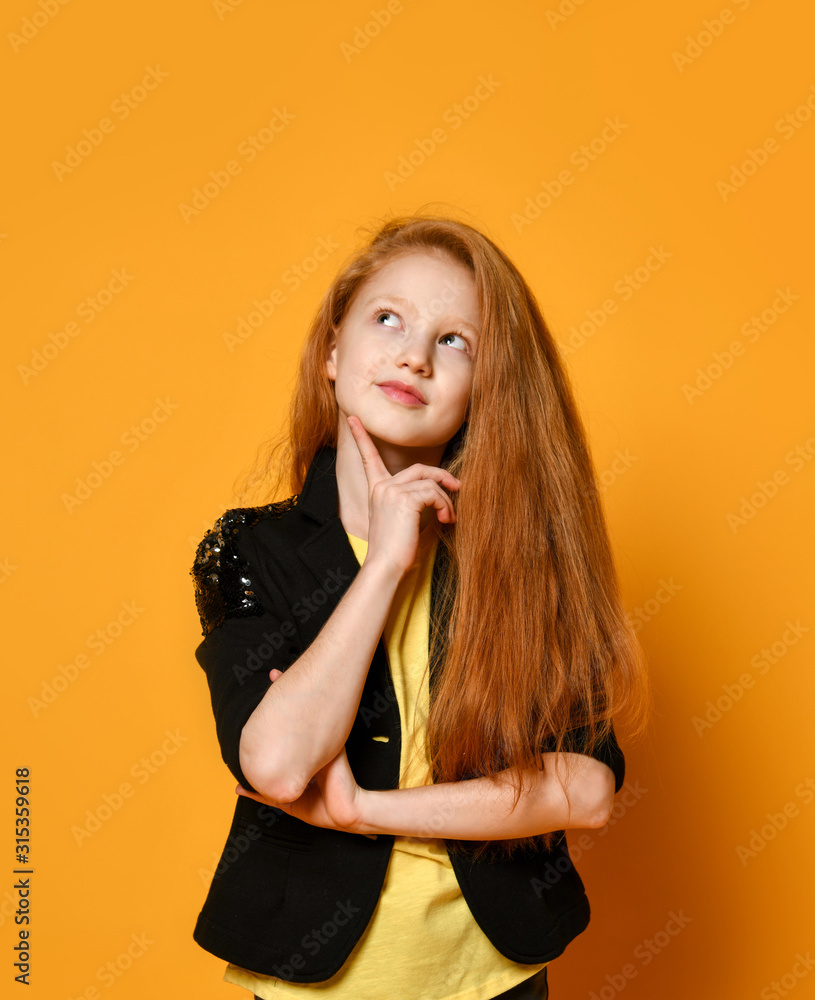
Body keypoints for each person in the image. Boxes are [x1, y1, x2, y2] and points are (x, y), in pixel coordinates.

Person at [190, 212, 651, 1000]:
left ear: (484, 389)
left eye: (453, 341)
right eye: (388, 318)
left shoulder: (521, 566)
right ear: (332, 352)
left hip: (495, 979)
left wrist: (365, 809)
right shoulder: (247, 550)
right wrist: (386, 568)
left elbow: (585, 789)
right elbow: (275, 761)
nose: (413, 353)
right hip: (309, 983)